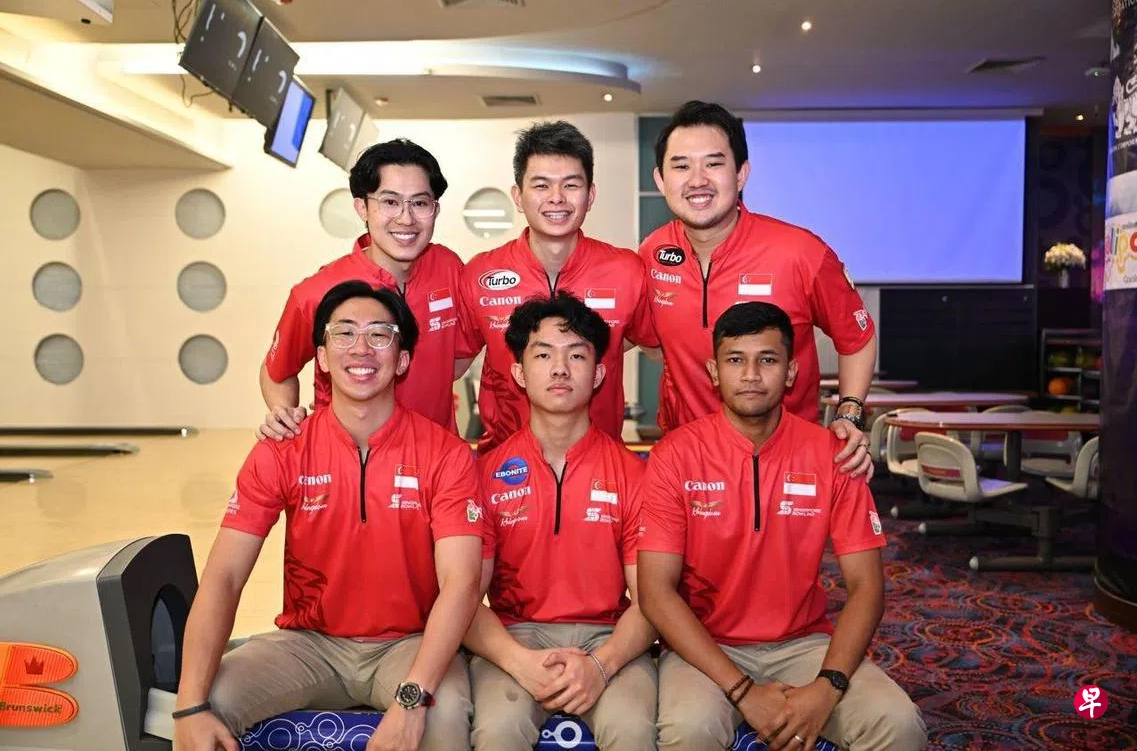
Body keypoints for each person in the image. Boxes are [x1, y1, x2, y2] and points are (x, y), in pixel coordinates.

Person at [173, 281, 484, 751]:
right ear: (320, 356)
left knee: (443, 715)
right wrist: (190, 705)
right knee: (207, 704)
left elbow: (461, 583)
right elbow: (225, 577)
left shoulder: (446, 454)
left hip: (409, 645)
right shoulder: (283, 449)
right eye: (344, 333)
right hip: (309, 645)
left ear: (402, 360)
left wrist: (411, 700)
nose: (361, 348)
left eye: (379, 335)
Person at [636, 302, 926, 751]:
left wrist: (828, 686)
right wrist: (743, 691)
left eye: (767, 360)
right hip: (705, 648)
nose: (751, 375)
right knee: (689, 730)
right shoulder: (674, 455)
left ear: (791, 372)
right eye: (736, 360)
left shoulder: (832, 455)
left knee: (899, 724)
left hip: (805, 645)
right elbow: (656, 591)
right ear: (714, 371)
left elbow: (867, 586)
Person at [463, 293, 658, 751]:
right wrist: (519, 661)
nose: (559, 369)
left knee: (632, 730)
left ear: (599, 374)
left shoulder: (634, 474)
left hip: (611, 638)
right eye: (543, 355)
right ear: (518, 373)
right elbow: (462, 596)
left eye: (576, 356)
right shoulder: (482, 474)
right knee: (497, 731)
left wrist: (602, 665)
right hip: (514, 637)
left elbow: (654, 600)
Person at [639, 100, 875, 478]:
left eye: (713, 164)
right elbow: (647, 339)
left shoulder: (800, 252)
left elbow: (857, 337)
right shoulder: (653, 253)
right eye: (681, 166)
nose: (697, 180)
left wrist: (849, 412)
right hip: (689, 464)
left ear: (741, 174)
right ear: (660, 180)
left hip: (788, 465)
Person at [457, 120, 659, 453]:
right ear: (518, 196)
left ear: (590, 195)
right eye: (541, 185)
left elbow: (658, 347)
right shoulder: (480, 273)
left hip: (599, 462)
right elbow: (449, 364)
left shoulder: (627, 270)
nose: (556, 198)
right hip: (505, 462)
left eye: (571, 185)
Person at [260, 139, 465, 438]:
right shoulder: (317, 292)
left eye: (419, 203)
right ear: (362, 208)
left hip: (435, 456)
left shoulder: (449, 268)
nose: (406, 218)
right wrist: (284, 416)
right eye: (390, 202)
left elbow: (460, 352)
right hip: (346, 456)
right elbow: (277, 372)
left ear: (435, 209)